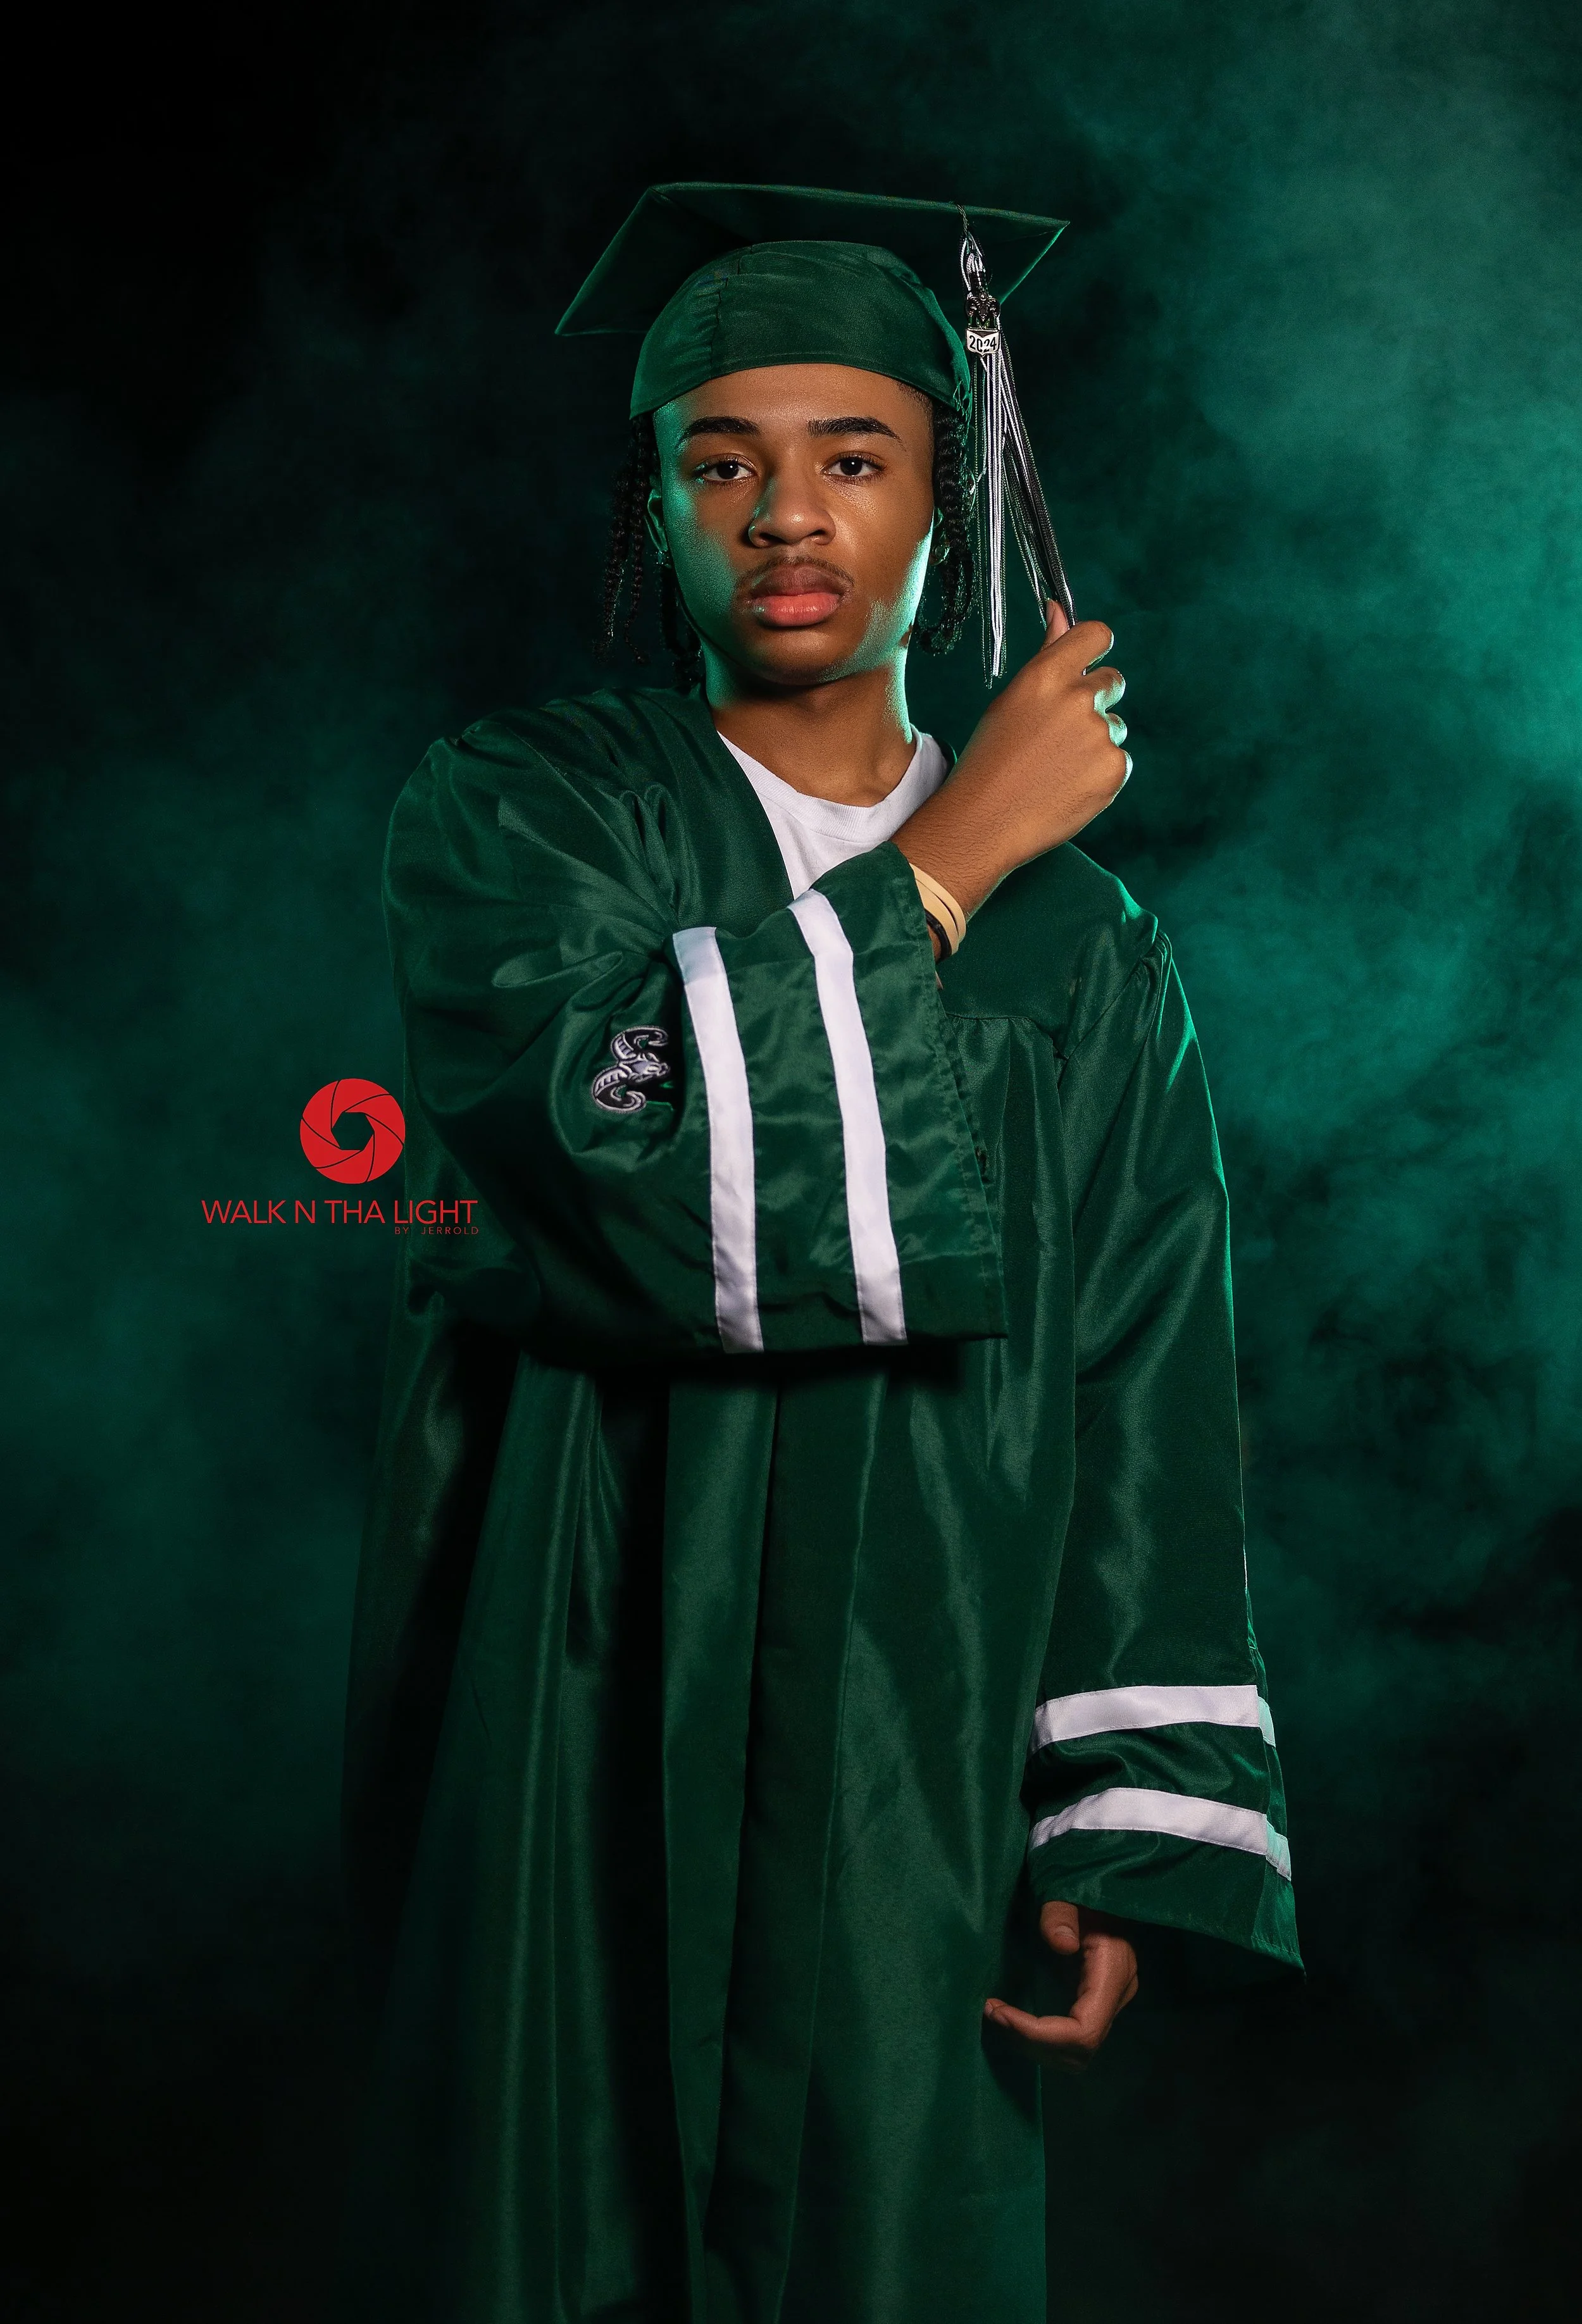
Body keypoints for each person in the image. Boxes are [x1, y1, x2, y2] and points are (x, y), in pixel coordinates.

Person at [340, 182, 1300, 2324]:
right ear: (655, 512)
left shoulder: (1092, 953)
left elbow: (1144, 1379)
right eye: (722, 463)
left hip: (914, 1735)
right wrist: (952, 858)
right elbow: (600, 1154)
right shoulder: (528, 812)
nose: (788, 517)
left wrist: (1118, 1823)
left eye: (853, 461)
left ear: (948, 515)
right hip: (578, 1677)